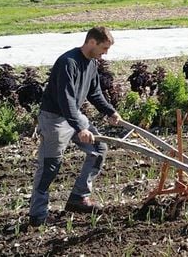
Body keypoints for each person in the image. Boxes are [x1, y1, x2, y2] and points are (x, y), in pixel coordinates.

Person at [28, 26, 122, 227]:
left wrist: (110, 112)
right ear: (91, 42)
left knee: (98, 148)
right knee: (50, 166)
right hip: (54, 117)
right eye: (104, 48)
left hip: (73, 115)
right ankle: (38, 215)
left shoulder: (92, 64)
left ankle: (79, 197)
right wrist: (80, 127)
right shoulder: (67, 62)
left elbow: (94, 93)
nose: (105, 53)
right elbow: (66, 99)